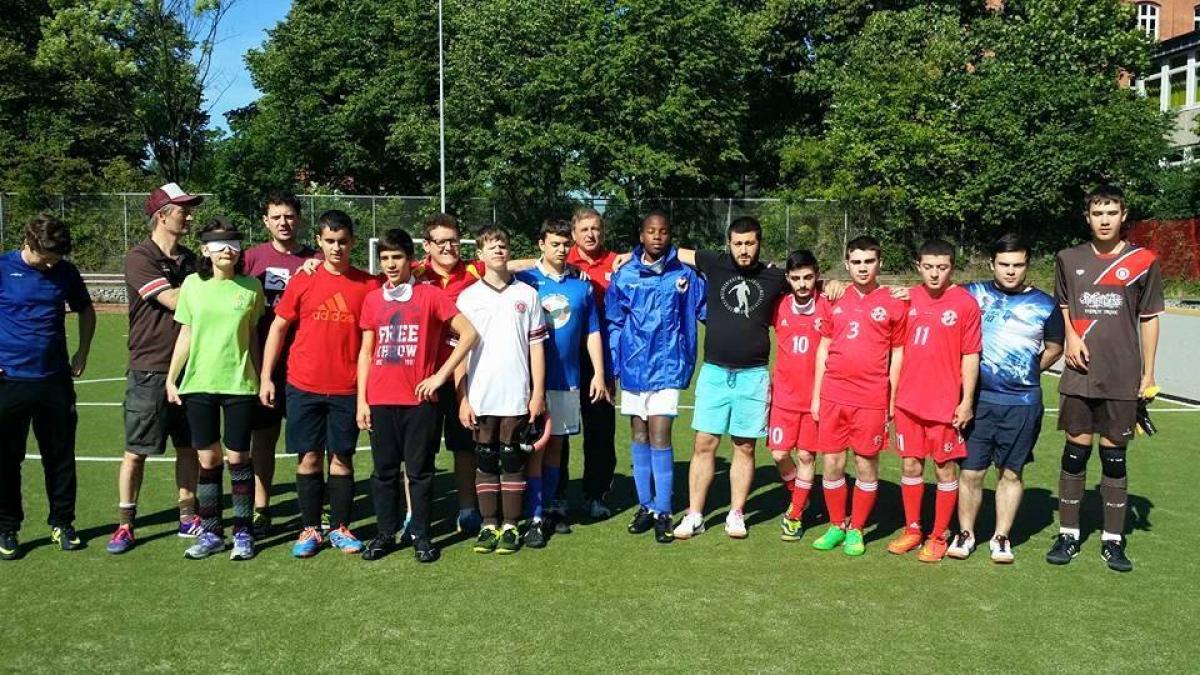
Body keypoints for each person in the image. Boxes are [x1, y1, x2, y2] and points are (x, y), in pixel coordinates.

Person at [1048, 184, 1163, 572]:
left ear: (1123, 215)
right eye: (1097, 213)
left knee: (1114, 458)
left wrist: (1148, 372)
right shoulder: (1068, 257)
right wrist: (1072, 336)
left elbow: (1148, 319)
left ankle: (1113, 541)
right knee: (1075, 452)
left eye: (1111, 212)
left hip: (1121, 374)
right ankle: (1068, 534)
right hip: (1080, 373)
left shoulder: (1143, 260)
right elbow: (1064, 304)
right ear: (1087, 217)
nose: (1104, 219)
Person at [260, 210, 379, 558]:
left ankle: (340, 527)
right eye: (329, 241)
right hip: (303, 385)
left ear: (353, 242)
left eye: (343, 242)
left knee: (341, 459)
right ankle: (309, 529)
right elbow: (278, 328)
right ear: (319, 243)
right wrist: (267, 376)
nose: (337, 248)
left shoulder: (368, 285)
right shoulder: (303, 278)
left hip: (346, 388)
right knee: (308, 458)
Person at [355, 229, 478, 562]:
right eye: (385, 258)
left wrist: (439, 376)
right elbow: (366, 352)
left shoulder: (430, 296)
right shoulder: (372, 299)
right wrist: (362, 400)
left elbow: (469, 334)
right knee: (383, 472)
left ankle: (422, 536)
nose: (391, 265)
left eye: (397, 257)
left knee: (420, 472)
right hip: (380, 399)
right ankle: (385, 534)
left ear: (410, 260)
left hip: (420, 402)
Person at [672, 217, 790, 540]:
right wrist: (627, 255)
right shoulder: (714, 262)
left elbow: (810, 283)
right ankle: (695, 514)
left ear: (759, 243)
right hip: (714, 373)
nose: (743, 250)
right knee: (704, 444)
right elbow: (671, 251)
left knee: (745, 447)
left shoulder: (775, 276)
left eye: (749, 243)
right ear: (729, 244)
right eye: (737, 243)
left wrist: (834, 286)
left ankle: (736, 514)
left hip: (753, 376)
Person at [952, 233, 1063, 564]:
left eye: (1018, 265)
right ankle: (966, 533)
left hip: (1022, 404)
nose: (1011, 271)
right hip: (977, 401)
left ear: (1027, 265)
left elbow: (1055, 348)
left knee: (1010, 473)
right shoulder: (972, 294)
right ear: (992, 264)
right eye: (1004, 265)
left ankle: (1001, 537)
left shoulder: (1046, 304)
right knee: (971, 473)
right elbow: (932, 296)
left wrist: (1028, 370)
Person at [107, 183, 201, 554]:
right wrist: (207, 288)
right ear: (162, 215)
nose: (190, 215)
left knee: (189, 447)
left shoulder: (191, 260)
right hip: (150, 367)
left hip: (192, 367)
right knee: (136, 450)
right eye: (183, 210)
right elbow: (173, 299)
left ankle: (188, 515)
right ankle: (125, 523)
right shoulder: (139, 258)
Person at [165, 219, 265, 560]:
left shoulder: (251, 287)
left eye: (233, 245)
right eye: (219, 245)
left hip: (239, 384)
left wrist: (261, 374)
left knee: (238, 457)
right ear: (206, 250)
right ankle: (210, 534)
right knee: (207, 459)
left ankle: (243, 533)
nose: (227, 251)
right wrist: (171, 377)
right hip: (199, 384)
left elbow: (252, 336)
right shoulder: (192, 285)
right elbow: (186, 333)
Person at [606, 212, 705, 544]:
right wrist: (616, 365)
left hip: (668, 368)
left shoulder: (685, 275)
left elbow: (707, 310)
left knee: (660, 435)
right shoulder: (625, 275)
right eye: (651, 231)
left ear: (670, 235)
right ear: (641, 234)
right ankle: (645, 506)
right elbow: (615, 323)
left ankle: (663, 510)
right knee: (639, 434)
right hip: (634, 371)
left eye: (663, 231)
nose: (657, 237)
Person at [0, 215, 95, 560]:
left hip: (54, 381)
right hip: (8, 381)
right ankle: (7, 528)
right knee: (7, 459)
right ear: (29, 242)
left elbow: (86, 310)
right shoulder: (2, 268)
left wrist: (82, 352)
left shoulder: (65, 272)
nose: (52, 261)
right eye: (47, 255)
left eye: (57, 255)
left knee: (60, 458)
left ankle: (63, 523)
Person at [809, 236, 906, 556]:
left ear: (879, 264)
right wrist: (816, 395)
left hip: (871, 397)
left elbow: (898, 352)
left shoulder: (894, 301)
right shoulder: (833, 297)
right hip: (834, 393)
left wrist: (890, 399)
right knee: (832, 462)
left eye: (869, 261)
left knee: (866, 464)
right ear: (847, 263)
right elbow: (823, 347)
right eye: (857, 262)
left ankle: (857, 529)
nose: (863, 268)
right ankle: (837, 525)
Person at [887, 239, 982, 563]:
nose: (935, 274)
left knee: (944, 470)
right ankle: (913, 529)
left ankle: (939, 535)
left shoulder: (965, 304)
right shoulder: (907, 298)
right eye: (928, 267)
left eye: (942, 268)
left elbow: (971, 355)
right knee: (911, 465)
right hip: (907, 403)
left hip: (944, 406)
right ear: (918, 266)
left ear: (952, 268)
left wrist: (966, 401)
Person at [515, 219, 608, 547]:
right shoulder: (525, 281)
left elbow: (592, 332)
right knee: (534, 448)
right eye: (553, 243)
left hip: (568, 380)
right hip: (530, 382)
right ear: (541, 244)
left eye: (564, 244)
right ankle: (533, 514)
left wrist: (597, 372)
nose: (560, 250)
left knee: (554, 446)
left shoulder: (581, 286)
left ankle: (551, 508)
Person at [456, 226, 547, 554]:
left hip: (517, 394)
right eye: (491, 247)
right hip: (480, 395)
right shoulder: (468, 297)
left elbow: (536, 348)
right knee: (485, 459)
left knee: (512, 458)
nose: (498, 251)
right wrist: (462, 397)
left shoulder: (528, 295)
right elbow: (459, 354)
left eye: (503, 246)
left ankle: (510, 526)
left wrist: (537, 393)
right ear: (479, 255)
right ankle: (487, 525)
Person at [242, 191, 318, 537]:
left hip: (307, 365)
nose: (283, 223)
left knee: (312, 440)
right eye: (276, 217)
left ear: (298, 219)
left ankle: (317, 504)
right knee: (264, 438)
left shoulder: (317, 258)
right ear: (265, 221)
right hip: (264, 365)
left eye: (289, 216)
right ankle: (262, 506)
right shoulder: (251, 259)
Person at [768, 250, 832, 542]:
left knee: (806, 455)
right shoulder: (778, 305)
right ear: (788, 279)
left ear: (817, 275)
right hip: (783, 396)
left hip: (815, 398)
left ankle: (795, 515)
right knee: (779, 453)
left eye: (808, 277)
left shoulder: (829, 305)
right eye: (796, 278)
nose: (803, 284)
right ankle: (800, 496)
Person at [564, 208, 619, 520]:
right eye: (584, 229)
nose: (590, 234)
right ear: (573, 234)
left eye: (595, 228)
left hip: (601, 359)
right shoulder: (561, 259)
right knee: (559, 429)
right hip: (565, 359)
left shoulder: (617, 263)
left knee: (600, 430)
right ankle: (556, 495)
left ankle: (595, 494)